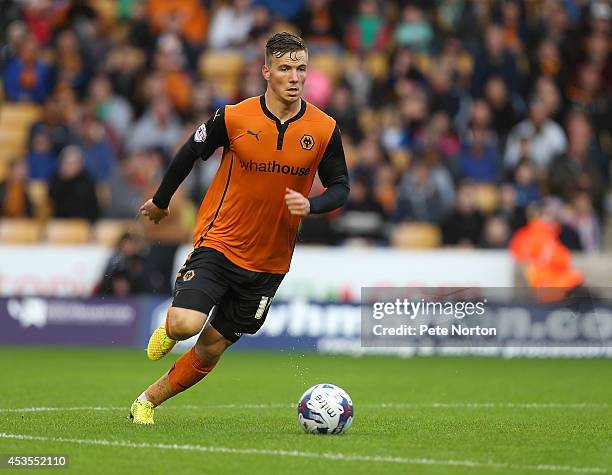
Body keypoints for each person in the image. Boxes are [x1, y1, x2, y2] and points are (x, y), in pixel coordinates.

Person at [129, 32, 350, 424]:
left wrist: (311, 205)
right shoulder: (233, 117)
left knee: (211, 348)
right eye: (285, 68)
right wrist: (162, 202)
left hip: (269, 262)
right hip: (220, 242)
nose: (294, 77)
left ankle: (146, 401)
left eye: (301, 68)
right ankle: (170, 327)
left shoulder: (324, 128)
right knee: (185, 325)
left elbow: (341, 188)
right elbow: (189, 152)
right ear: (266, 71)